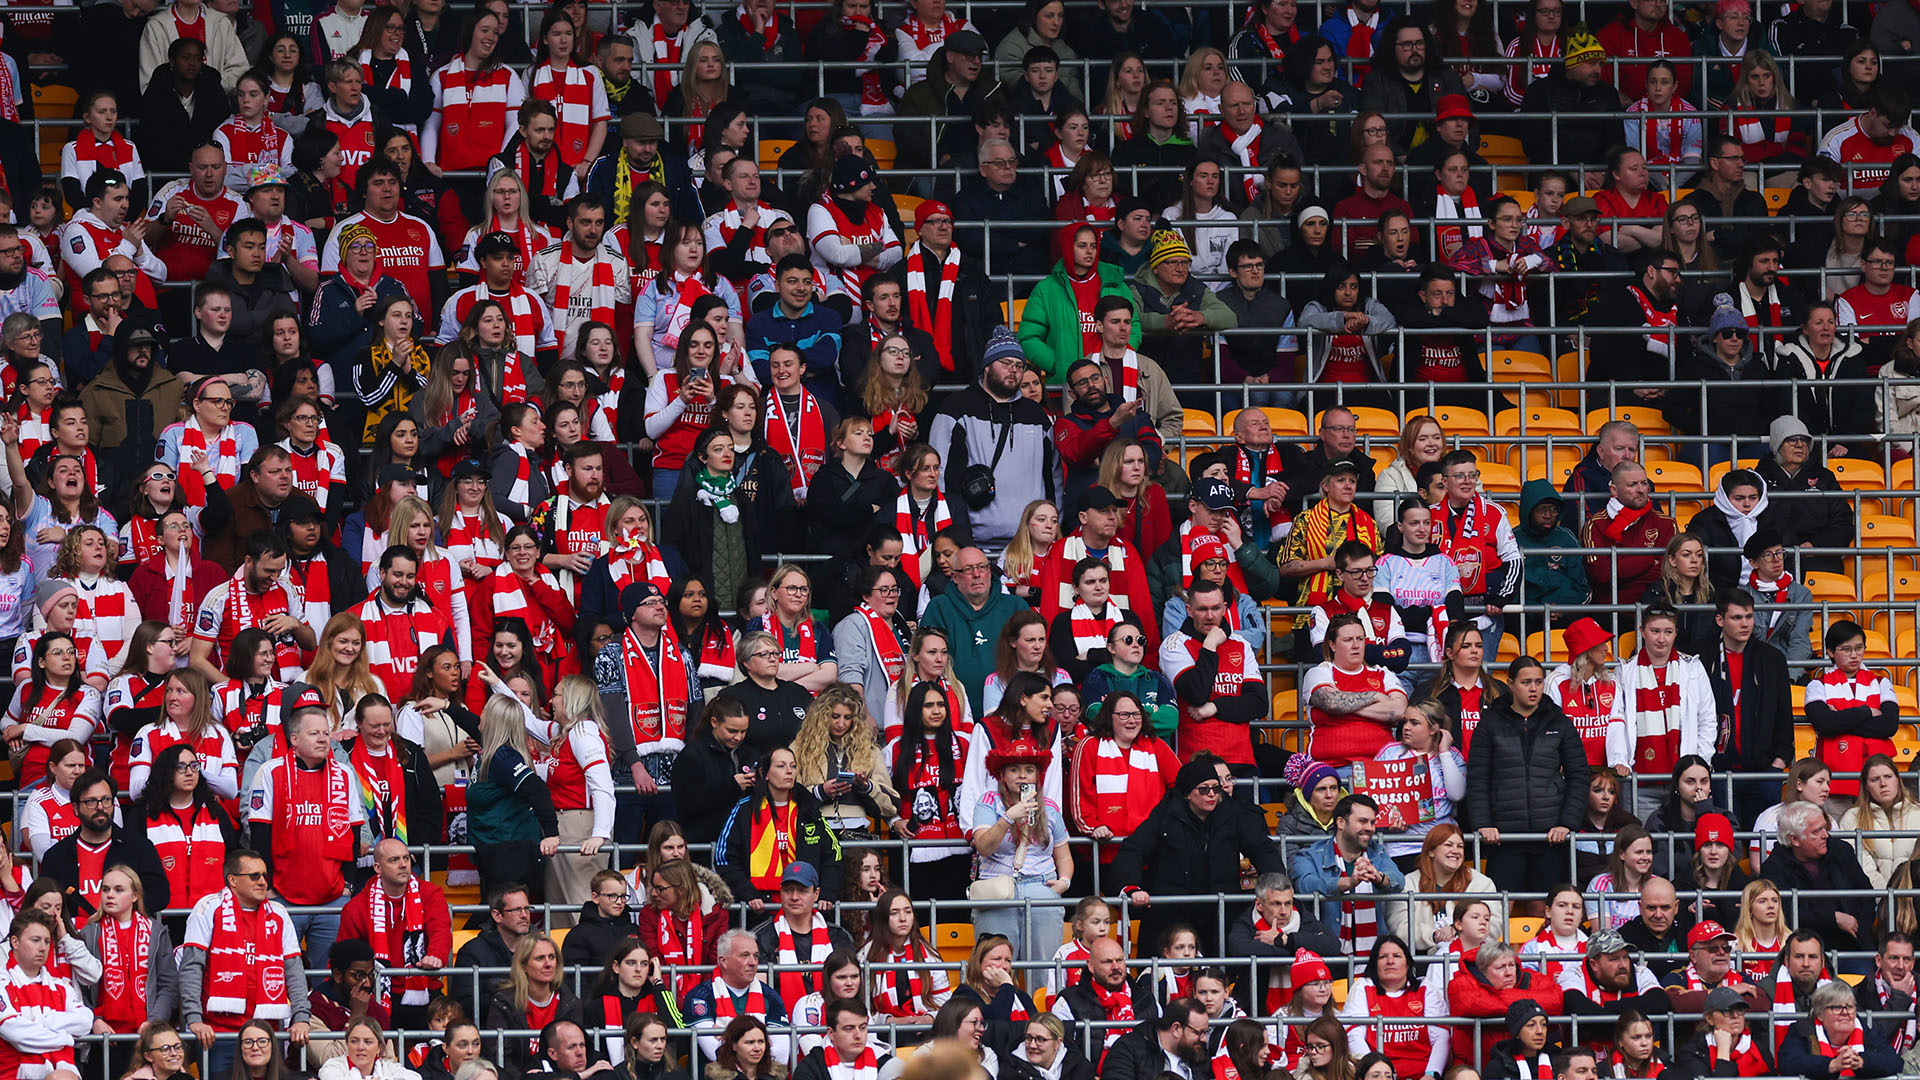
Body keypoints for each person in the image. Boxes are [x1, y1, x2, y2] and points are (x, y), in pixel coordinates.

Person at [1110, 757, 1284, 956]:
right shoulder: (1165, 815)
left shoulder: (1235, 813)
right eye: (1203, 789)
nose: (1212, 795)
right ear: (1187, 794)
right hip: (1172, 912)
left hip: (1221, 912)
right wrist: (1131, 887)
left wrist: (1276, 887)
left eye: (1216, 788)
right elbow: (1133, 850)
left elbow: (1263, 850)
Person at [335, 839, 453, 1031]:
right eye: (394, 860)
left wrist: (436, 956)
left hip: (425, 987)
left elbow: (440, 929)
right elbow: (348, 955)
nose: (403, 864)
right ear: (377, 868)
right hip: (376, 993)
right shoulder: (355, 907)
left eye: (406, 858)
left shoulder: (430, 893)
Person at [1760, 802, 1876, 959]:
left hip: (1852, 945)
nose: (1825, 835)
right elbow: (1783, 913)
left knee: (1864, 979)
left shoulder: (1841, 851)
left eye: (1824, 827)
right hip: (1800, 952)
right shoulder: (1774, 868)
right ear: (1794, 839)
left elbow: (1865, 894)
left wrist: (1860, 929)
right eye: (1816, 831)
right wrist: (1833, 918)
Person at [1777, 980, 1902, 1078]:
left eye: (1849, 1006)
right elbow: (1788, 1063)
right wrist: (1832, 1065)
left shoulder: (1867, 1032)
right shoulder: (1802, 1030)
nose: (1845, 1012)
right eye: (1836, 1007)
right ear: (1820, 1014)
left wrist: (1861, 1062)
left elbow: (1895, 1063)